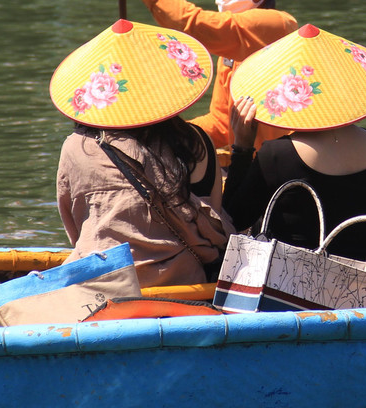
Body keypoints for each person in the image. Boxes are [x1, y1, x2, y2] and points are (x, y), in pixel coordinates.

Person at [53, 19, 233, 288]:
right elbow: (214, 217)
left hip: (101, 287)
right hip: (185, 286)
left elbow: (76, 228)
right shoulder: (194, 140)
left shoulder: (76, 147)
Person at [108, 0, 298, 149]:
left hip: (280, 167)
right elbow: (222, 124)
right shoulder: (230, 46)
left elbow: (193, 23)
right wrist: (167, 133)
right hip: (247, 162)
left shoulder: (277, 24)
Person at [224, 24, 366, 262]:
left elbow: (233, 219)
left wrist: (242, 147)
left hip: (291, 286)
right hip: (358, 286)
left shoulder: (277, 154)